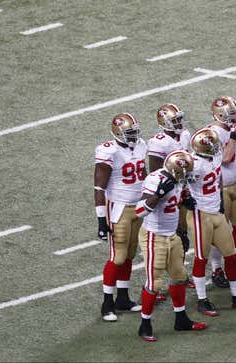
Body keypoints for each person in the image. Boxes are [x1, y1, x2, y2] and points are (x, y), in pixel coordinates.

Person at [187, 126, 236, 316]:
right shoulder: (193, 164)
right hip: (200, 214)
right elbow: (180, 184)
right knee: (201, 258)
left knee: (230, 255)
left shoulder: (215, 157)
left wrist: (219, 202)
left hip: (215, 212)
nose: (217, 147)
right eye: (213, 145)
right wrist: (186, 200)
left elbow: (218, 179)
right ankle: (202, 300)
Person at [135, 150, 207, 342]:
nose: (185, 176)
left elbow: (180, 193)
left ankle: (181, 319)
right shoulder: (154, 180)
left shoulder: (179, 179)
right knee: (154, 283)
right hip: (154, 235)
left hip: (171, 235)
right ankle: (145, 324)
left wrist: (185, 200)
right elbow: (140, 210)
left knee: (180, 277)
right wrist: (158, 194)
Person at [93, 113, 146, 321]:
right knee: (118, 256)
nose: (133, 136)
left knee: (130, 254)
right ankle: (107, 302)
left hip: (139, 207)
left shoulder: (142, 145)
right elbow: (99, 187)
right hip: (119, 207)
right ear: (118, 133)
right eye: (129, 133)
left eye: (134, 132)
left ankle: (123, 297)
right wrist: (100, 219)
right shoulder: (109, 151)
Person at [146, 103, 194, 300]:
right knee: (162, 243)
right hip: (166, 194)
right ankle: (154, 284)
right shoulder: (158, 142)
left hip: (181, 190)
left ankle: (179, 274)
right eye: (174, 120)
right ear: (163, 122)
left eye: (179, 119)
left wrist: (186, 190)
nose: (179, 123)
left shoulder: (184, 135)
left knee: (182, 235)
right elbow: (156, 173)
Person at [207, 96, 236, 282]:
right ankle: (217, 269)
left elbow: (234, 154)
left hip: (233, 184)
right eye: (231, 114)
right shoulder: (212, 133)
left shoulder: (227, 130)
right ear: (219, 115)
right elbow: (225, 158)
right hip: (219, 188)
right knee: (221, 232)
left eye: (235, 113)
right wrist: (234, 136)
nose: (235, 117)